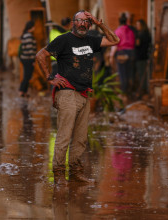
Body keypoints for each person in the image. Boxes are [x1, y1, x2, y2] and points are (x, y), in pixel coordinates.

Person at [36, 10, 119, 186]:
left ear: (89, 25)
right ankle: (59, 173)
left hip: (83, 94)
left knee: (81, 138)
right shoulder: (63, 40)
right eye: (79, 21)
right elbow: (41, 55)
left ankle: (76, 172)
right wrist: (50, 77)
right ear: (73, 22)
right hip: (66, 93)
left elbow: (115, 40)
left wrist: (100, 24)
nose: (82, 24)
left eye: (86, 22)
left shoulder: (91, 40)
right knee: (64, 136)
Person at [110, 13, 135, 97]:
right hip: (131, 53)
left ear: (119, 22)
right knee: (130, 73)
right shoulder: (131, 31)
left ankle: (123, 93)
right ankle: (129, 92)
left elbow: (115, 45)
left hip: (122, 53)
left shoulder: (118, 31)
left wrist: (111, 56)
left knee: (122, 74)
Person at [18, 20, 37, 97]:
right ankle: (21, 91)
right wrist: (33, 60)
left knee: (27, 75)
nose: (35, 28)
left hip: (24, 58)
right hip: (28, 59)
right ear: (31, 27)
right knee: (27, 76)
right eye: (34, 26)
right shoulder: (29, 36)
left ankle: (24, 91)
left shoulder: (25, 35)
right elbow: (30, 49)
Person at [135, 19, 151, 99]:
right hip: (145, 56)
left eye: (138, 25)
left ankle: (143, 91)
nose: (136, 27)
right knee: (144, 74)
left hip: (140, 57)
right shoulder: (147, 34)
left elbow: (137, 44)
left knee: (142, 75)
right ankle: (144, 90)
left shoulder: (140, 35)